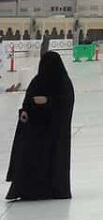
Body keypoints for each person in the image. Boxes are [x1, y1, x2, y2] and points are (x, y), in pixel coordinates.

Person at [6, 51, 74, 200]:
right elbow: (27, 101)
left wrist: (48, 102)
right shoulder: (37, 81)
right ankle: (28, 190)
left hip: (54, 133)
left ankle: (52, 189)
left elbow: (65, 105)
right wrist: (24, 112)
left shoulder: (63, 83)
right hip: (36, 131)